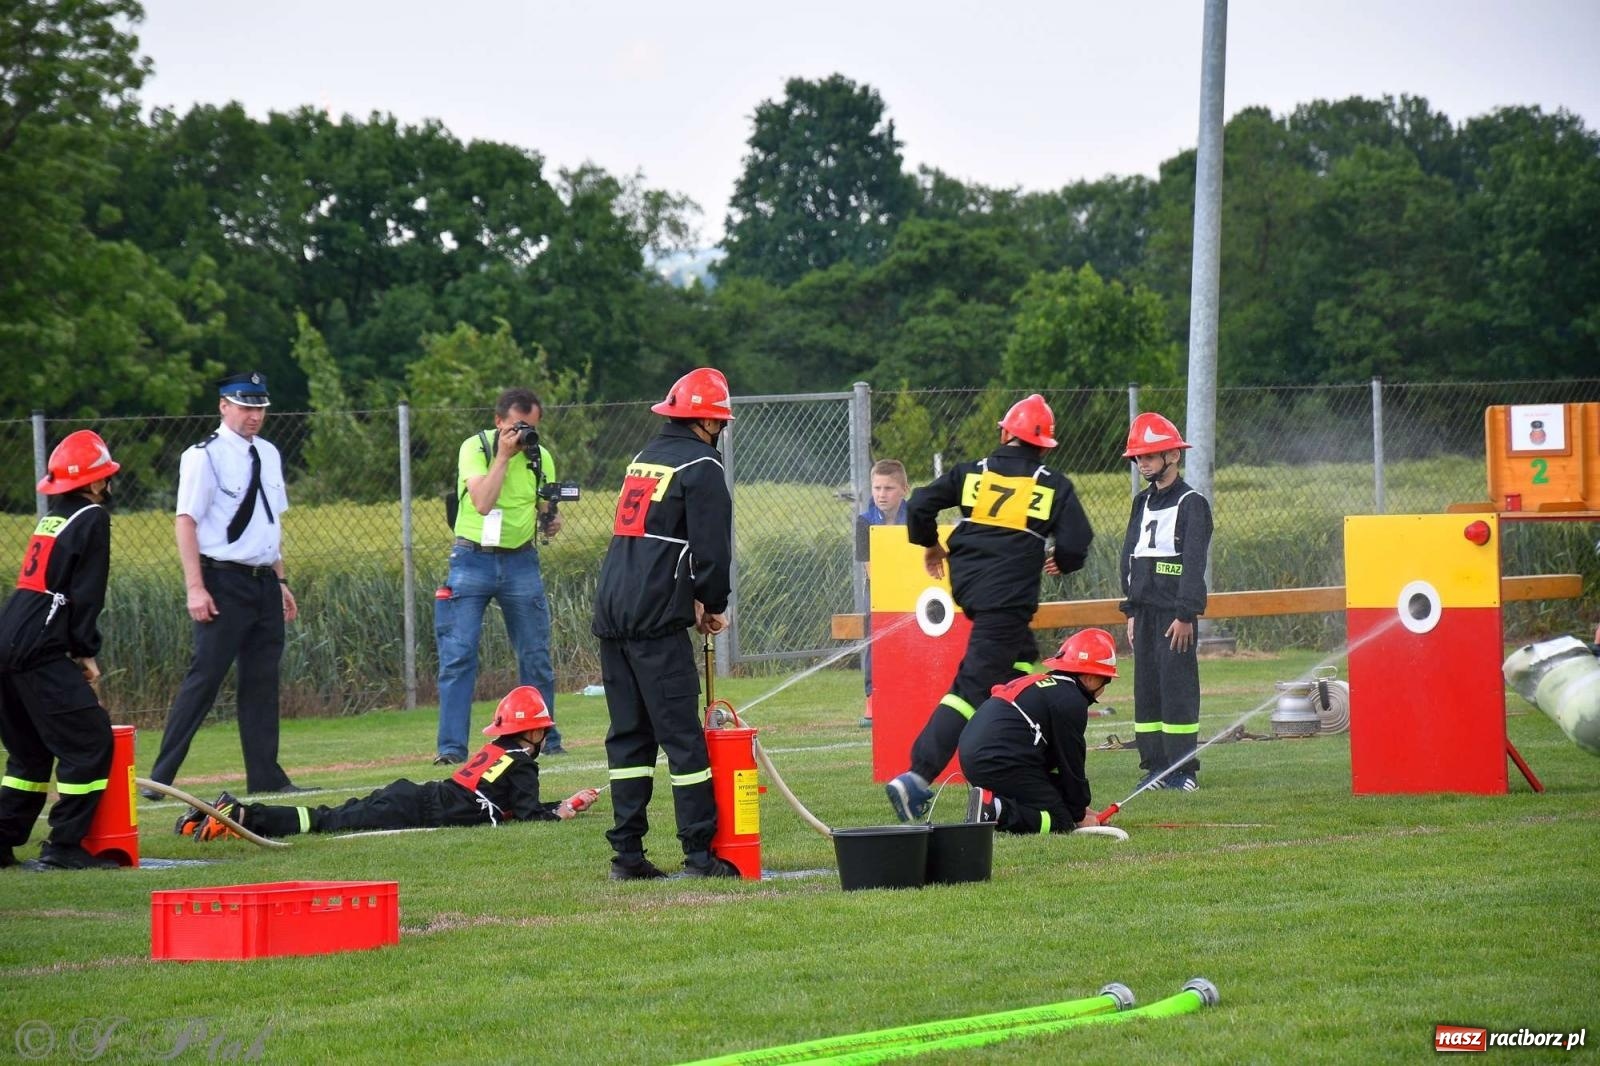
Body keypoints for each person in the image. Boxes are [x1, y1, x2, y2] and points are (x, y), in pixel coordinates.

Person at [886, 394, 1094, 822]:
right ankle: (916, 778)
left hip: (977, 596)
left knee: (1022, 675)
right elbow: (1076, 542)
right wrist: (1064, 559)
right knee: (969, 692)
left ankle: (1023, 766)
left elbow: (921, 503)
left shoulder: (971, 474)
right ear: (1043, 445)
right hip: (1007, 603)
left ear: (1004, 434)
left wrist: (931, 546)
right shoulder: (1051, 483)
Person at [592, 367, 738, 880]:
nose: (720, 430)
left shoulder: (644, 458)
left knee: (629, 737)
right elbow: (712, 551)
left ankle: (627, 857)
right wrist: (711, 602)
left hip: (613, 609)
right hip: (656, 618)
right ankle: (699, 854)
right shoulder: (703, 465)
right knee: (683, 740)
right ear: (706, 421)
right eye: (719, 422)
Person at [144, 372, 304, 800]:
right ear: (224, 406)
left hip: (263, 582)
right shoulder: (204, 456)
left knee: (262, 681)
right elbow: (186, 522)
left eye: (260, 408)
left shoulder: (268, 454)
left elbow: (269, 522)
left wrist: (281, 579)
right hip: (222, 579)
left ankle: (266, 776)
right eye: (246, 407)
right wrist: (195, 588)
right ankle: (161, 777)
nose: (255, 416)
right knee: (205, 678)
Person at [181, 687, 599, 841]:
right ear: (535, 733)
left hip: (415, 795)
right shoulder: (523, 763)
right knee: (329, 822)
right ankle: (240, 815)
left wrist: (564, 802)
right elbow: (526, 815)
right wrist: (562, 813)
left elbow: (508, 804)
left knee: (335, 815)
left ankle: (234, 815)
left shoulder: (499, 753)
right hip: (418, 806)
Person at [0, 431, 122, 871]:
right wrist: (86, 650)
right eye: (105, 479)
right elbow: (86, 593)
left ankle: (2, 838)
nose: (107, 487)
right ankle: (65, 845)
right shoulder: (92, 517)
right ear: (92, 484)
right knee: (89, 741)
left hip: (8, 636)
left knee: (30, 753)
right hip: (37, 647)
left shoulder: (53, 516)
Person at [434, 387, 566, 765]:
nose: (523, 435)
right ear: (497, 423)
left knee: (535, 654)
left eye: (531, 428)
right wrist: (504, 457)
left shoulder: (540, 456)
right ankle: (451, 748)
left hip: (521, 561)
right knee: (458, 656)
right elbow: (482, 502)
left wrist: (552, 520)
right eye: (515, 427)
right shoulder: (475, 449)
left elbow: (547, 509)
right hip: (471, 559)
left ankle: (546, 739)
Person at [1118, 411, 1213, 793]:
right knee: (1148, 691)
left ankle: (1182, 769)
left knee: (1177, 691)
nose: (1143, 463)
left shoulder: (1192, 503)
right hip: (1144, 614)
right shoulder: (1141, 502)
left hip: (1175, 617)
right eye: (1139, 457)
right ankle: (1155, 767)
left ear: (1173, 456)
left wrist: (1186, 613)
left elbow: (1194, 564)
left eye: (1150, 456)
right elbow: (1130, 554)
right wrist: (1130, 609)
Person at [958, 629, 1117, 834]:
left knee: (1059, 796)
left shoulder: (1043, 685)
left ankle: (992, 803)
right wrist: (1077, 816)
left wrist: (1085, 810)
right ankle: (994, 810)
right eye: (1106, 680)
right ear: (1091, 679)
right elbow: (1071, 763)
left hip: (976, 755)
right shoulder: (1071, 700)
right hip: (997, 761)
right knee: (1061, 820)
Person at [854, 458, 910, 728]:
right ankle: (872, 698)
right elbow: (868, 567)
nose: (881, 494)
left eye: (888, 488)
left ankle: (910, 694)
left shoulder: (916, 518)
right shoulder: (865, 521)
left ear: (904, 490)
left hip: (912, 587)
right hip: (879, 589)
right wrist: (889, 594)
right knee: (874, 636)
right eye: (877, 488)